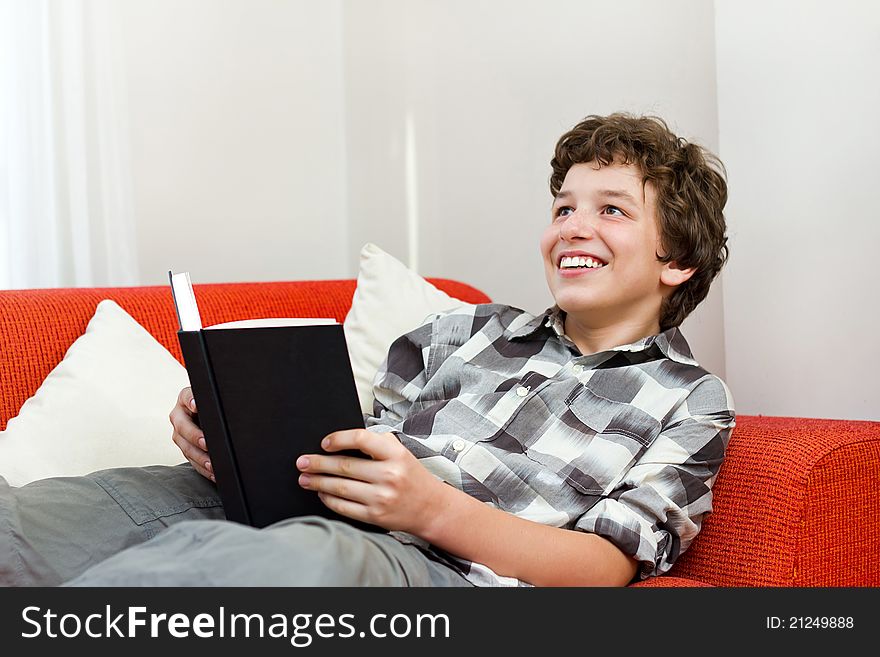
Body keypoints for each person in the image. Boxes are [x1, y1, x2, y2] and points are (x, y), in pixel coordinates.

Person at [0, 113, 734, 587]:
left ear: (677, 260)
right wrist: (239, 441)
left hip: (420, 561)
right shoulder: (462, 329)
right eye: (563, 207)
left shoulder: (688, 396)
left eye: (610, 210)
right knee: (42, 519)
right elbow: (359, 447)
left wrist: (430, 509)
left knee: (273, 568)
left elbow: (606, 566)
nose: (573, 225)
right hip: (295, 509)